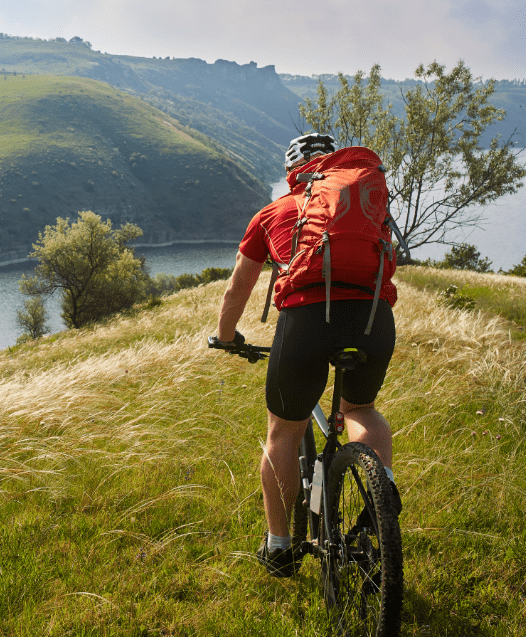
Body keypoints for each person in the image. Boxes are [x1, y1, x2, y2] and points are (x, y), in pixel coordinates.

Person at [213, 133, 401, 577]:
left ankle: (279, 548)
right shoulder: (366, 205)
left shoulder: (274, 213)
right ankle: (383, 497)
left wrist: (226, 335)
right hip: (373, 318)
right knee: (362, 409)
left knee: (284, 432)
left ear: (292, 172)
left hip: (307, 322)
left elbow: (238, 287)